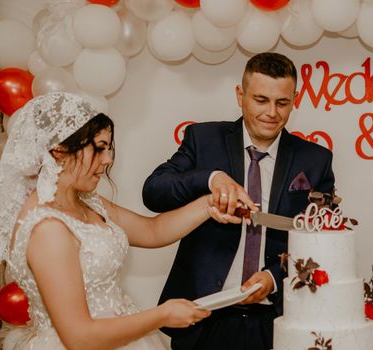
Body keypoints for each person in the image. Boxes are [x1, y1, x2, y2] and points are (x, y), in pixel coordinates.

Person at [0, 92, 241, 349]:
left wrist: (209, 205)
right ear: (59, 150)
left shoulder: (87, 201)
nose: (109, 159)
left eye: (109, 148)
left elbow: (152, 230)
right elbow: (79, 337)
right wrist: (162, 315)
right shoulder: (47, 229)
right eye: (99, 148)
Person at [142, 52, 336, 350]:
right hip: (203, 318)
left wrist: (273, 277)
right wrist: (211, 178)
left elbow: (324, 241)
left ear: (294, 100)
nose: (272, 112)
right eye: (261, 100)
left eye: (282, 102)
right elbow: (154, 191)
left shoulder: (316, 160)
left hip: (276, 320)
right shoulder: (203, 139)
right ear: (240, 95)